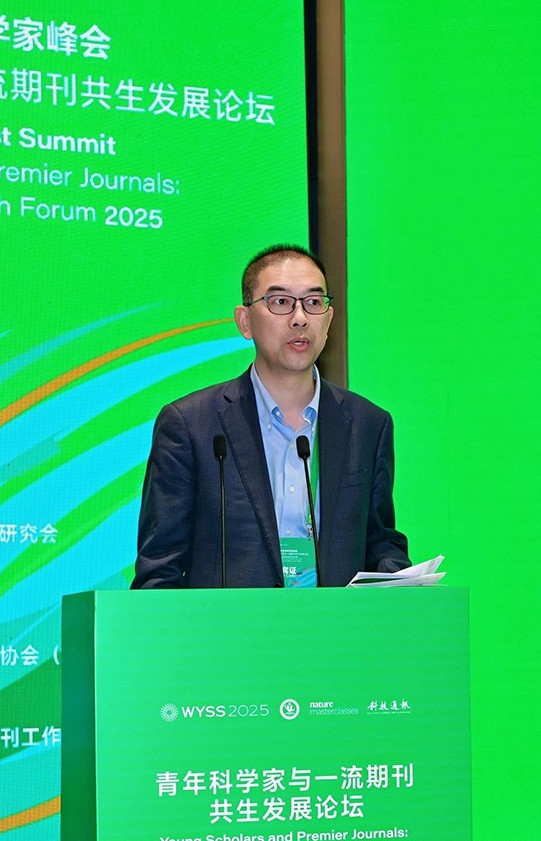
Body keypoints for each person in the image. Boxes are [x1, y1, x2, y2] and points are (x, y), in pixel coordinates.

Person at [133, 244, 410, 588]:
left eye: (313, 302)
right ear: (245, 321)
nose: (300, 318)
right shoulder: (190, 425)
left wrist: (403, 582)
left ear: (328, 320)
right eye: (280, 302)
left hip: (333, 623)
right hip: (230, 623)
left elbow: (379, 542)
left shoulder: (367, 424)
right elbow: (160, 569)